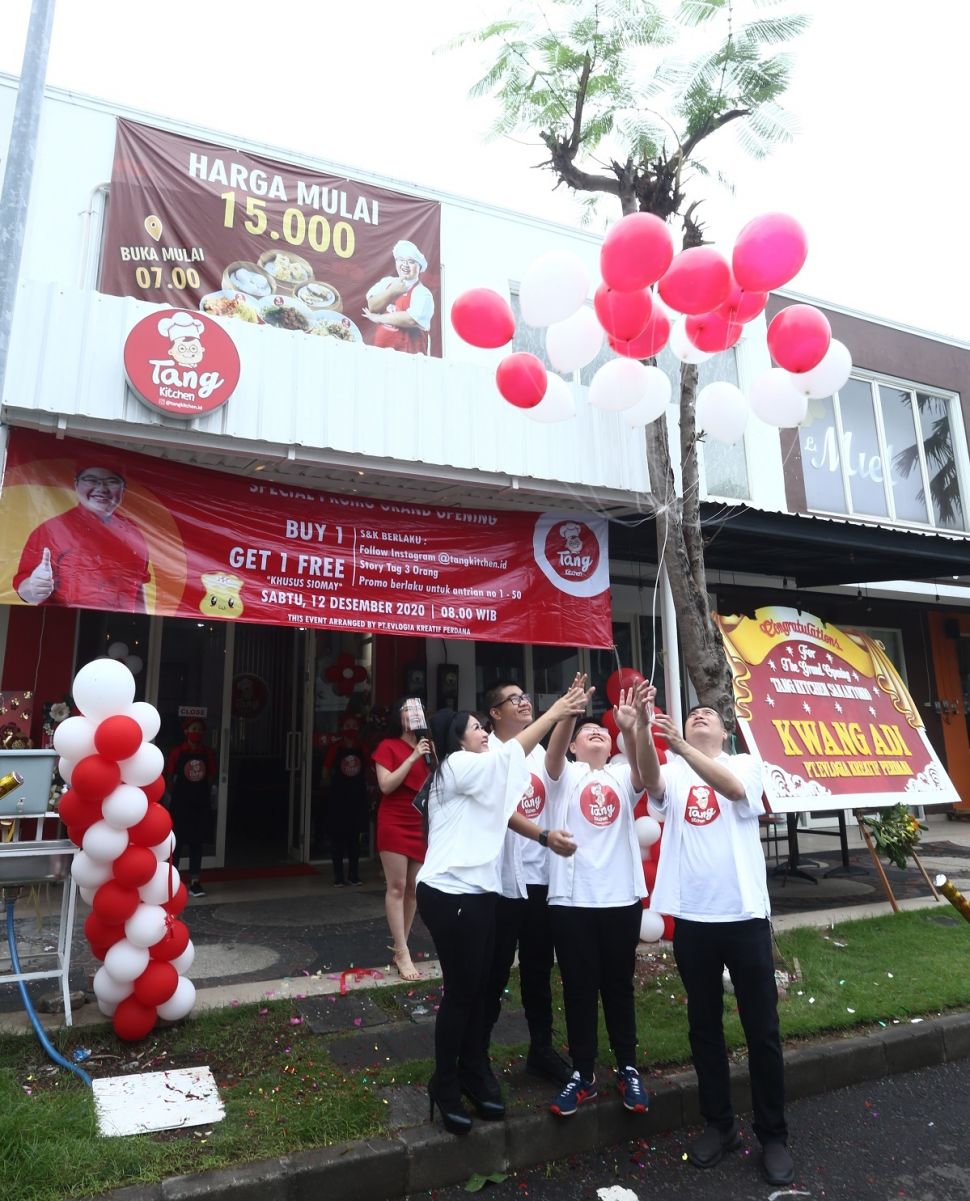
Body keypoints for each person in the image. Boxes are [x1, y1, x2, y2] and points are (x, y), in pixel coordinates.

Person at [635, 692, 794, 1188]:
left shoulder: (747, 763)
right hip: (694, 921)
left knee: (762, 1029)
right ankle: (719, 1124)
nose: (699, 714)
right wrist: (642, 728)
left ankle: (773, 1133)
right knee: (703, 1027)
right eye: (691, 713)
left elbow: (729, 788)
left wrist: (682, 746)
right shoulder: (674, 768)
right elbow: (650, 778)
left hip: (744, 917)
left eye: (709, 715)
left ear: (723, 733)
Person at [416, 685, 587, 1136]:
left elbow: (508, 808)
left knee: (475, 990)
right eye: (477, 728)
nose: (484, 733)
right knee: (462, 992)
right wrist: (554, 712)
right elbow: (506, 759)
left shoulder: (479, 770)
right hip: (451, 891)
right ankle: (445, 1082)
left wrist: (544, 836)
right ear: (459, 741)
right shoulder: (457, 765)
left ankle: (472, 1070)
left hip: (480, 893)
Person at [543, 689, 653, 1118]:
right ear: (573, 744)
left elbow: (646, 772)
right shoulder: (565, 777)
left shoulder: (623, 776)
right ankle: (583, 1072)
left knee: (618, 986)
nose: (595, 735)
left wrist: (632, 727)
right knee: (579, 988)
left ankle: (628, 1067)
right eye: (586, 732)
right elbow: (552, 756)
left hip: (620, 898)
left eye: (601, 733)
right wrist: (570, 714)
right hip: (571, 900)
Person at [480, 678, 580, 1087]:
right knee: (493, 971)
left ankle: (541, 1048)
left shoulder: (543, 754)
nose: (524, 703)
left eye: (526, 697)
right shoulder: (483, 751)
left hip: (540, 880)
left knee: (538, 970)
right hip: (499, 882)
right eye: (513, 699)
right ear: (494, 713)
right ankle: (476, 1057)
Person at [14, 465, 151, 611]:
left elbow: (137, 588)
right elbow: (24, 589)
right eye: (91, 480)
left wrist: (142, 623)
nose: (102, 488)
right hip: (68, 624)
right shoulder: (51, 529)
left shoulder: (133, 533)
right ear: (76, 484)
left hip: (121, 626)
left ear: (123, 489)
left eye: (112, 481)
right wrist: (35, 588)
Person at [372, 700, 431, 980]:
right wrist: (412, 757)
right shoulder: (388, 746)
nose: (412, 714)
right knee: (396, 886)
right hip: (394, 820)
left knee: (413, 889)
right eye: (407, 710)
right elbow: (386, 786)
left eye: (417, 710)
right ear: (399, 717)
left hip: (419, 820)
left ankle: (400, 947)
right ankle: (404, 953)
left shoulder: (429, 747)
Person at [166, 718, 217, 898]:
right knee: (176, 843)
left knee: (197, 843)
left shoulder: (207, 752)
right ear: (186, 731)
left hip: (200, 803)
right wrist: (176, 795)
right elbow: (170, 776)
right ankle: (171, 880)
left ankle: (195, 881)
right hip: (181, 803)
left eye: (199, 729)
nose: (196, 732)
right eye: (193, 728)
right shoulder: (178, 752)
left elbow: (211, 775)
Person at [361, 239, 434, 354]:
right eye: (401, 260)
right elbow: (373, 306)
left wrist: (378, 318)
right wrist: (392, 292)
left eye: (411, 261)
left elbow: (411, 320)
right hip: (380, 355)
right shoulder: (387, 283)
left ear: (419, 267)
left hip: (410, 360)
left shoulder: (423, 293)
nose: (405, 265)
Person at [322, 723, 369, 886]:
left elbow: (369, 769)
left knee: (353, 840)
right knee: (339, 840)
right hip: (339, 799)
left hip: (355, 799)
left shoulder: (362, 748)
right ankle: (340, 876)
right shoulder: (336, 748)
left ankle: (352, 875)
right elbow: (326, 772)